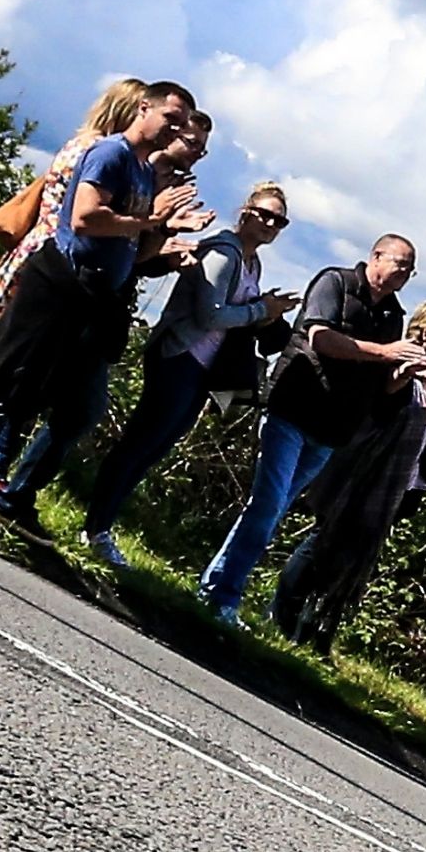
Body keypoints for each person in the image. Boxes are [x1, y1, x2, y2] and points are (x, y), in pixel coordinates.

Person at [0, 81, 201, 535]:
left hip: (93, 299)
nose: (175, 131)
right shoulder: (110, 154)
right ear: (144, 108)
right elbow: (84, 218)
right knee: (4, 390)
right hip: (58, 284)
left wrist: (163, 230)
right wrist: (150, 219)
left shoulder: (142, 171)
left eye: (181, 125)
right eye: (171, 119)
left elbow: (135, 253)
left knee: (68, 406)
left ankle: (9, 499)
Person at [197, 234, 425, 625]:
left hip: (333, 429)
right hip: (294, 410)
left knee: (272, 510)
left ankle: (217, 585)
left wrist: (403, 372)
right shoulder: (335, 282)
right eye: (400, 264)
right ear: (376, 256)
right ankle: (224, 597)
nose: (404, 275)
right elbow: (320, 338)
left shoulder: (392, 315)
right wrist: (385, 352)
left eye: (411, 270)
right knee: (268, 505)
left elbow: (382, 382)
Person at [84, 182, 299, 565]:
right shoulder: (223, 253)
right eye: (265, 215)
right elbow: (210, 315)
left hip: (204, 367)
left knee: (155, 448)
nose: (270, 224)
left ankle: (103, 525)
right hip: (180, 356)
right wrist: (260, 311)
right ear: (246, 212)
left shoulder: (252, 263)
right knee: (140, 443)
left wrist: (266, 313)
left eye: (278, 221)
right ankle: (95, 526)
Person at [270, 300, 426, 645]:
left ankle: (318, 633)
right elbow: (384, 411)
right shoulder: (393, 362)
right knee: (323, 543)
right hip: (363, 472)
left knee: (355, 559)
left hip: (397, 484)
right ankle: (283, 613)